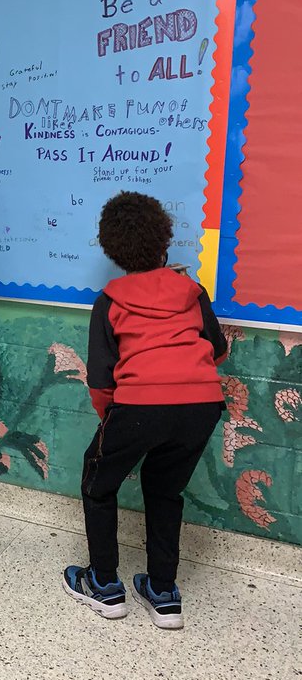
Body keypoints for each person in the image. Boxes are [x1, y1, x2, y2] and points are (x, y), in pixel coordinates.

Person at [63, 191, 227, 630]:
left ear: (112, 250)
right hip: (201, 405)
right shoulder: (192, 291)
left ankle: (104, 584)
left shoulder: (110, 301)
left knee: (98, 482)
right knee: (164, 489)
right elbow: (217, 350)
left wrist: (112, 423)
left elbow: (101, 380)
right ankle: (162, 593)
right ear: (164, 242)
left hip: (139, 405)